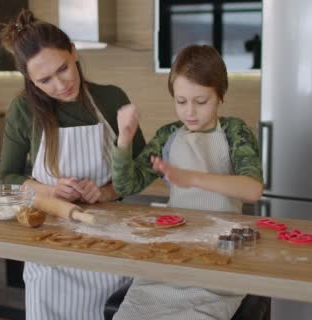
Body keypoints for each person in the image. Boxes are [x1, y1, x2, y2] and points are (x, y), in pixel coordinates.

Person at [0, 9, 146, 320]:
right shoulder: (23, 110)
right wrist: (49, 190)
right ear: (30, 79)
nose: (59, 84)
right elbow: (8, 177)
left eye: (63, 69)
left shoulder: (110, 98)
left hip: (108, 244)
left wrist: (106, 192)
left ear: (74, 52)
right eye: (44, 80)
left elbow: (143, 167)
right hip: (49, 253)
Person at [111, 44, 263, 320]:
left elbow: (252, 189)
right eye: (181, 101)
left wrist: (191, 178)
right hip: (172, 258)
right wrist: (124, 139)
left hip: (220, 259)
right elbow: (125, 186)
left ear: (221, 96)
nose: (190, 112)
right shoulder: (167, 136)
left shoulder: (234, 131)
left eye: (201, 101)